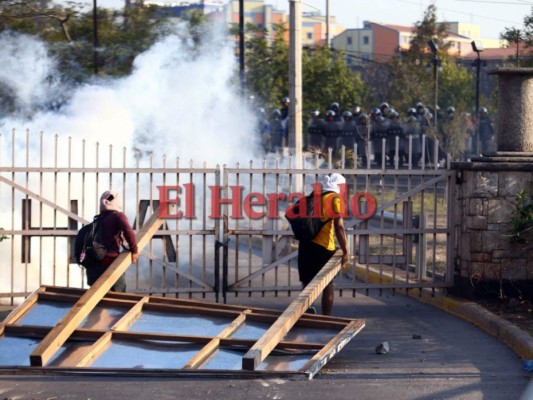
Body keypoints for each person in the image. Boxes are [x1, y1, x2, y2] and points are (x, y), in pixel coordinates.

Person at [291, 173, 349, 316]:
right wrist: (346, 250)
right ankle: (326, 318)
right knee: (327, 285)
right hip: (323, 248)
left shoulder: (312, 197)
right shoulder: (335, 199)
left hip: (305, 245)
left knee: (306, 283)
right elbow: (339, 226)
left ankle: (303, 314)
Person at [85, 190, 139, 292]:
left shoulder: (97, 220)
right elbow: (128, 231)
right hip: (110, 266)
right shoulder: (117, 216)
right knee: (119, 299)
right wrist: (134, 251)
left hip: (92, 269)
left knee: (97, 302)